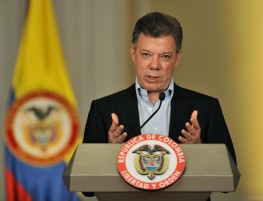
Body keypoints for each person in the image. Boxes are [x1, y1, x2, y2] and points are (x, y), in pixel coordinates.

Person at [82, 12, 236, 199]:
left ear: (177, 58)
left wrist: (200, 150)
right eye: (146, 54)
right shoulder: (103, 109)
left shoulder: (206, 108)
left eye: (164, 56)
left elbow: (228, 181)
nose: (154, 65)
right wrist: (109, 151)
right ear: (133, 53)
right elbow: (87, 189)